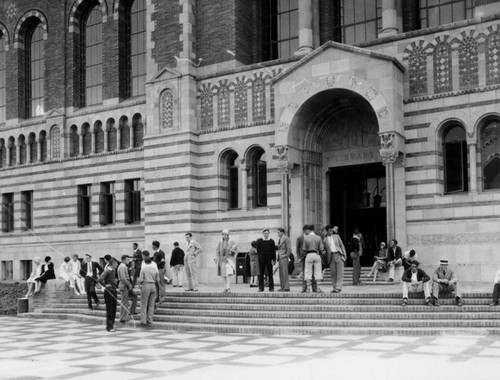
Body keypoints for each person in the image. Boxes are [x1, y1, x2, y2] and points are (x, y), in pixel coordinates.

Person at [97, 257, 119, 332]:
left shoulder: (114, 270)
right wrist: (105, 285)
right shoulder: (107, 271)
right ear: (112, 264)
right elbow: (99, 279)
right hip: (109, 291)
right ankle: (109, 327)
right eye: (116, 263)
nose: (117, 264)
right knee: (110, 309)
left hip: (114, 290)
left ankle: (111, 325)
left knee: (114, 309)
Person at [323, 225, 347, 293]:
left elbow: (342, 245)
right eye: (329, 231)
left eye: (332, 231)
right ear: (327, 231)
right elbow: (323, 249)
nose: (331, 232)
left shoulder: (337, 236)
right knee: (333, 273)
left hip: (338, 254)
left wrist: (344, 254)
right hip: (331, 257)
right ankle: (334, 287)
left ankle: (338, 287)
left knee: (340, 272)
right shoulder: (324, 239)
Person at [139, 250, 159, 328]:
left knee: (144, 304)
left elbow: (140, 279)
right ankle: (150, 320)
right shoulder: (154, 268)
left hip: (146, 285)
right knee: (151, 305)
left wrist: (140, 285)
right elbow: (158, 279)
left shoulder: (143, 269)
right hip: (153, 285)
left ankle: (143, 321)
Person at [302, 224, 324, 293]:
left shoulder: (306, 238)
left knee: (308, 271)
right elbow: (321, 248)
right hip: (316, 254)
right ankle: (318, 288)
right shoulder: (318, 237)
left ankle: (309, 288)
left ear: (309, 230)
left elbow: (304, 248)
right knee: (318, 271)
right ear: (314, 230)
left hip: (309, 254)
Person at [297, 225, 317, 292]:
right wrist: (299, 257)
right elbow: (297, 249)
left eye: (309, 230)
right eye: (307, 230)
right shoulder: (300, 238)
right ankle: (304, 288)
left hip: (311, 256)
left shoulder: (311, 237)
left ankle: (315, 288)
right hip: (303, 258)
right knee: (305, 273)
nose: (308, 231)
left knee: (313, 273)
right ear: (304, 230)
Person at [117, 255, 137, 323]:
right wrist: (129, 285)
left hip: (126, 285)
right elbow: (123, 278)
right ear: (123, 260)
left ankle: (131, 312)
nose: (128, 261)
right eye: (127, 259)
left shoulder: (124, 266)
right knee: (124, 302)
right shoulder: (122, 267)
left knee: (134, 296)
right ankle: (123, 317)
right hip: (124, 285)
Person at [276, 228, 292, 292]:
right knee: (281, 273)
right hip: (280, 257)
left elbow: (289, 248)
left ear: (282, 232)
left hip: (284, 257)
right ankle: (282, 286)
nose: (278, 233)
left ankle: (286, 287)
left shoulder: (286, 238)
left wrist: (286, 256)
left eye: (279, 232)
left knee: (285, 272)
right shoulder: (280, 239)